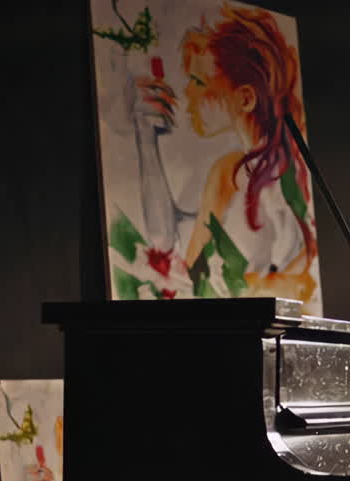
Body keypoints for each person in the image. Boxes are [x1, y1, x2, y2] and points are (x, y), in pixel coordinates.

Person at [129, 5, 318, 304]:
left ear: (245, 98)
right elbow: (173, 255)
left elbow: (176, 263)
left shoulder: (238, 173)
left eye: (199, 83)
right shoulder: (269, 172)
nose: (188, 94)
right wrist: (145, 137)